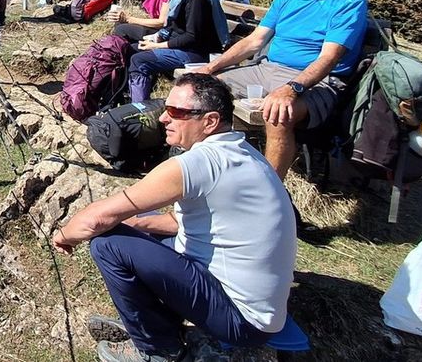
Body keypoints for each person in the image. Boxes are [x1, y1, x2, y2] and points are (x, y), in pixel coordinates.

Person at [53, 74, 297, 362]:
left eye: (176, 112)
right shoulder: (242, 152)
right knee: (139, 221)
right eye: (165, 108)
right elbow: (181, 222)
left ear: (210, 121)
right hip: (256, 311)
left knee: (108, 244)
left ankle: (157, 348)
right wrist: (134, 223)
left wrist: (63, 235)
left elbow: (96, 219)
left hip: (241, 322)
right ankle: (155, 322)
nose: (162, 118)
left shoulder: (197, 164)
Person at [200, 0, 367, 179]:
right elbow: (254, 41)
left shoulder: (348, 2)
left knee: (278, 112)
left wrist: (291, 89)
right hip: (267, 69)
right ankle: (208, 167)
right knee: (203, 90)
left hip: (317, 81)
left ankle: (269, 188)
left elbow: (329, 58)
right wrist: (209, 69)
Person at [125, 0, 228, 101]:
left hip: (196, 54)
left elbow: (192, 37)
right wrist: (157, 37)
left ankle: (141, 109)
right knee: (128, 49)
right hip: (184, 48)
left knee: (139, 61)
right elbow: (175, 27)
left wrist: (157, 46)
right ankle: (125, 100)